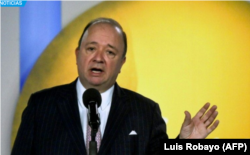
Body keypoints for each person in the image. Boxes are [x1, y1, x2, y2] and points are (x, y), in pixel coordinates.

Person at [11, 17, 219, 155]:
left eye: (110, 52)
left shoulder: (145, 112)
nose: (98, 58)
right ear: (77, 55)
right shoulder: (41, 106)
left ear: (122, 63)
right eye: (91, 48)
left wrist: (185, 144)